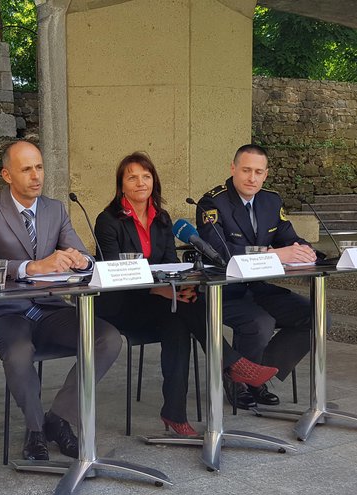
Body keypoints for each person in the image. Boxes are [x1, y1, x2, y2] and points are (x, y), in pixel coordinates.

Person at [94, 152, 278, 433]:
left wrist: (181, 288)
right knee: (185, 311)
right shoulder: (108, 220)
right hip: (120, 303)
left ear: (154, 181)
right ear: (121, 185)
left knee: (180, 320)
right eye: (132, 177)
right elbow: (114, 272)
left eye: (146, 176)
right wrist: (163, 292)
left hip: (157, 300)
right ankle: (233, 364)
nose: (141, 182)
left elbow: (170, 265)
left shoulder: (163, 218)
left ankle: (174, 414)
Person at [0, 141, 122, 461]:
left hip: (49, 307)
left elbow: (82, 255)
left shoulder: (55, 208)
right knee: (20, 350)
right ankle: (35, 428)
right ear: (7, 175)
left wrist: (81, 261)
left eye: (39, 167)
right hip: (2, 311)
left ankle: (59, 418)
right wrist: (31, 267)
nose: (36, 176)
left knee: (107, 338)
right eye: (26, 169)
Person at [197, 143, 328, 409]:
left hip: (258, 288)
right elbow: (220, 252)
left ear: (266, 174)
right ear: (233, 169)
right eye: (246, 170)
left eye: (258, 172)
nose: (252, 178)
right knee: (260, 322)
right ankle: (239, 381)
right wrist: (275, 254)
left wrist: (304, 251)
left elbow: (289, 239)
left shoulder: (271, 200)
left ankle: (255, 374)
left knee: (315, 316)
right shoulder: (212, 202)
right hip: (224, 289)